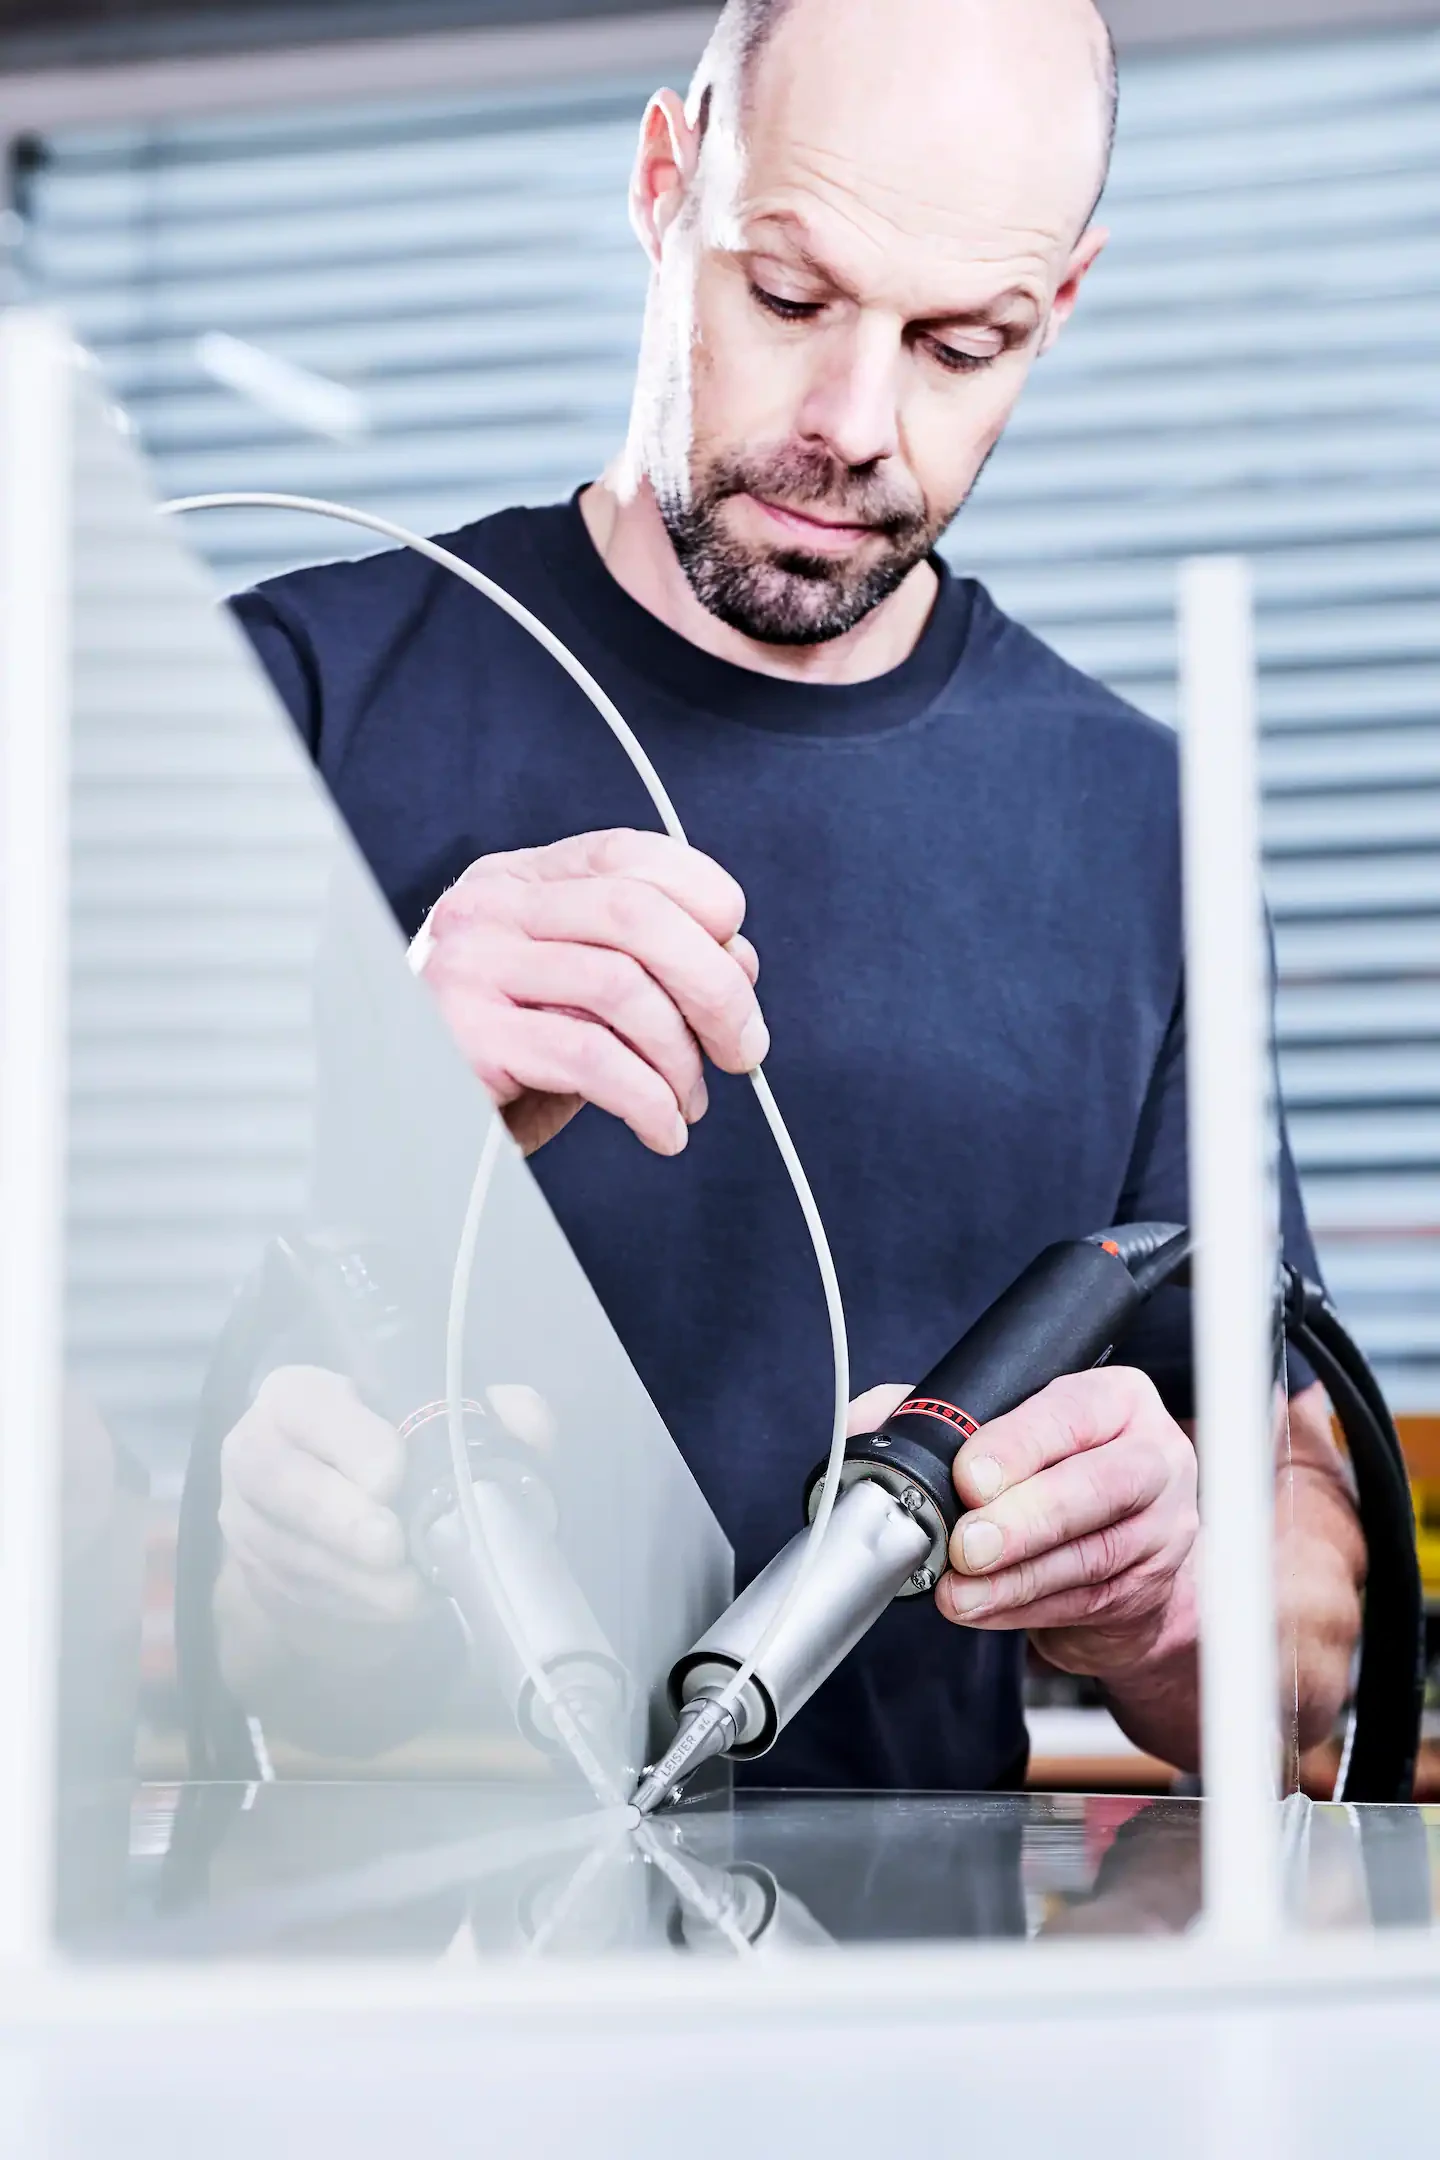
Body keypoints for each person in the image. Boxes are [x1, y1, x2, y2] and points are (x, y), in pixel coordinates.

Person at [211, 0, 1364, 1790]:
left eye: (962, 342)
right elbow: (84, 1506)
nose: (855, 425)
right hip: (358, 1944)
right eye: (789, 294)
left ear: (1061, 303)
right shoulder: (277, 710)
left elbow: (1305, 1666)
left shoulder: (1149, 833)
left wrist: (1165, 1600)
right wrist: (377, 1107)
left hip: (911, 1962)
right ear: (663, 186)